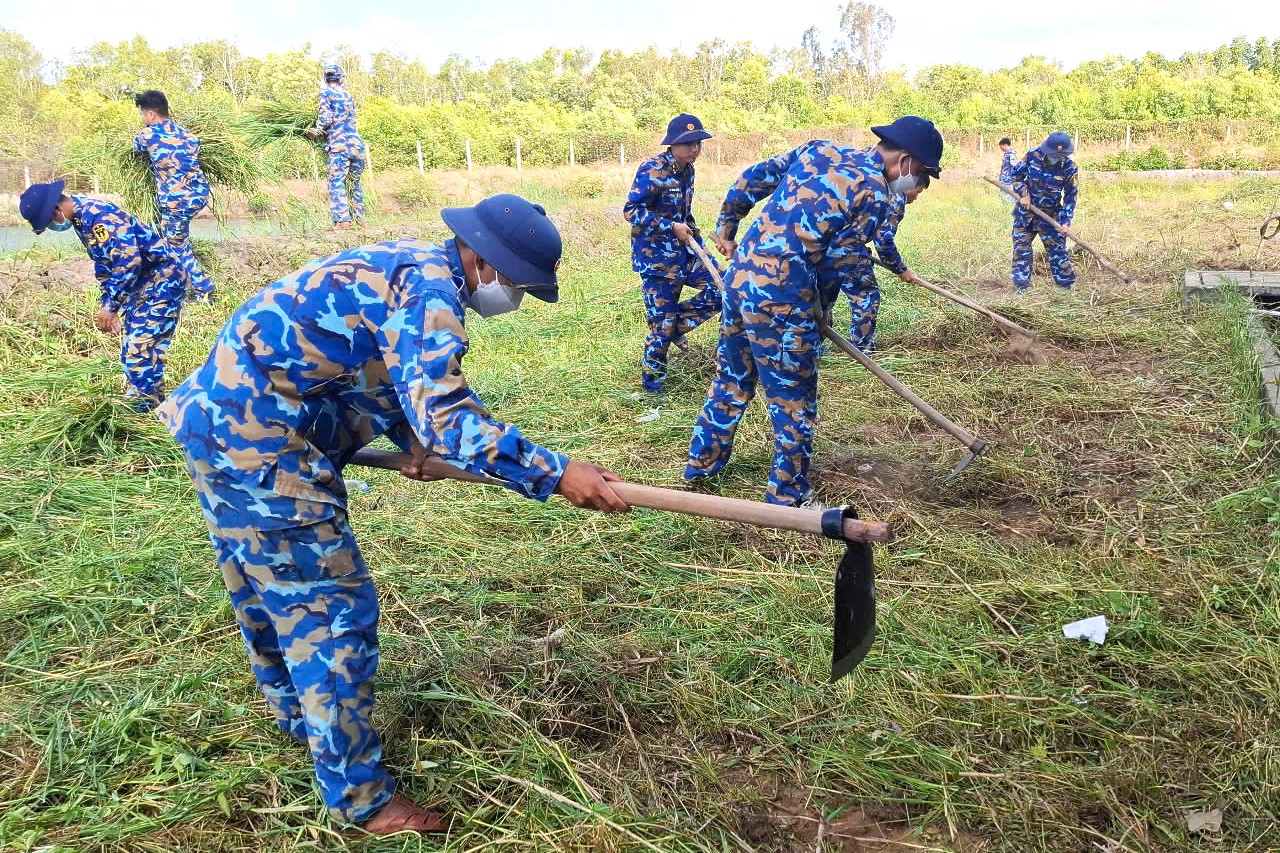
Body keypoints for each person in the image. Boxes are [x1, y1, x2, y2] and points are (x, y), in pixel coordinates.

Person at [155, 193, 630, 835]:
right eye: (516, 285)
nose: (511, 299)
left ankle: (301, 721)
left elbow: (374, 367)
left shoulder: (406, 264)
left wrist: (414, 440)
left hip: (216, 422)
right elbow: (449, 413)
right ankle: (363, 801)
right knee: (328, 609)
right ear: (484, 262)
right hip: (264, 447)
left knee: (262, 583)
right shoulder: (433, 291)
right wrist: (555, 471)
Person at [683, 116, 943, 506]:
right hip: (782, 299)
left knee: (732, 379)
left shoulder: (819, 148)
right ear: (905, 160)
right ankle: (787, 497)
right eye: (921, 173)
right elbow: (839, 261)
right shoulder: (874, 192)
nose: (915, 182)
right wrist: (820, 313)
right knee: (793, 401)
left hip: (739, 282)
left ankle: (700, 466)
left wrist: (727, 227)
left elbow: (751, 179)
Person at [19, 180, 184, 411]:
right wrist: (108, 303)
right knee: (132, 349)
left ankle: (144, 411)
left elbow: (128, 262)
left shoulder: (100, 217)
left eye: (48, 223)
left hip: (162, 281)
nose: (52, 227)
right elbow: (105, 266)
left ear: (57, 210)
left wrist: (111, 307)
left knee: (140, 349)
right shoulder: (81, 219)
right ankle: (150, 404)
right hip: (142, 285)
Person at [624, 113, 724, 393]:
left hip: (687, 253)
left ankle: (676, 327)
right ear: (673, 144)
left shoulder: (688, 171)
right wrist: (670, 227)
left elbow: (684, 213)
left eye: (699, 143)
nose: (695, 149)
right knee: (661, 326)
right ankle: (652, 386)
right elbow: (631, 211)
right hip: (657, 260)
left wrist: (698, 239)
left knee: (724, 287)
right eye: (689, 143)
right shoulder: (652, 169)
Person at [134, 90, 215, 300]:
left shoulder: (147, 135)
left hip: (176, 200)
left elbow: (136, 148)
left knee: (176, 245)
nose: (143, 119)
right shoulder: (190, 136)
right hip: (198, 195)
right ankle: (173, 280)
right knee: (173, 236)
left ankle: (203, 288)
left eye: (143, 115)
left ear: (151, 115)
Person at [840, 179, 928, 354]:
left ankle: (814, 347)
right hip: (847, 250)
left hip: (828, 243)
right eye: (917, 192)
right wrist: (901, 269)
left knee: (820, 297)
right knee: (866, 297)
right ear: (909, 185)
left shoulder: (878, 186)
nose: (916, 198)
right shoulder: (896, 198)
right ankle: (861, 350)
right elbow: (884, 241)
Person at [1009, 131, 1078, 293]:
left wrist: (1066, 222)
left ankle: (1065, 287)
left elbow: (1070, 197)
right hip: (1025, 215)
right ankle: (1021, 288)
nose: (1056, 158)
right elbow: (1016, 176)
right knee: (1021, 251)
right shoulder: (1033, 155)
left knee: (1058, 252)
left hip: (1051, 217)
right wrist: (1023, 194)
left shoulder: (1070, 167)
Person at [308, 63, 366, 229]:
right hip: (356, 146)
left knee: (336, 182)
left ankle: (343, 222)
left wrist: (316, 130)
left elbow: (326, 117)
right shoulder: (347, 95)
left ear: (325, 78)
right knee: (354, 183)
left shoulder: (326, 93)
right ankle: (359, 219)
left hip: (339, 146)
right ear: (341, 78)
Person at [997, 137, 1017, 209]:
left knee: (1008, 195)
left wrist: (1014, 179)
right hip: (1004, 179)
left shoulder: (1011, 153)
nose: (1000, 148)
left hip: (1008, 179)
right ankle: (1005, 208)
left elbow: (1014, 166)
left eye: (1001, 146)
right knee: (1003, 194)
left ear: (1005, 145)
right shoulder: (1006, 154)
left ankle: (1009, 208)